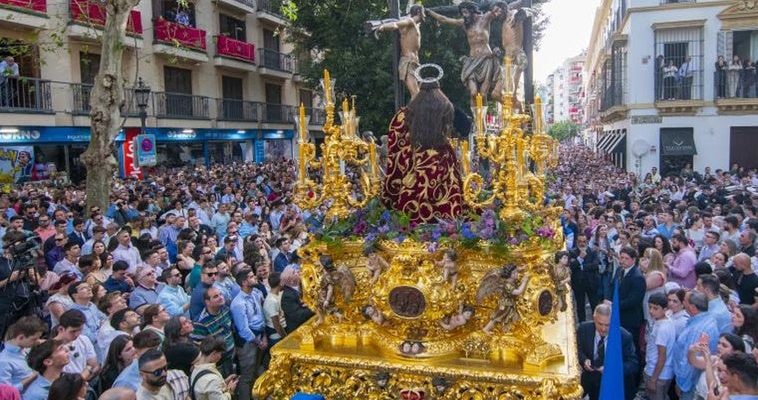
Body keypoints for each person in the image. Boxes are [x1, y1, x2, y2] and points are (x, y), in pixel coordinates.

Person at [380, 77, 464, 223]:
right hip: (441, 162)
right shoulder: (446, 106)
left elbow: (397, 150)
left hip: (416, 164)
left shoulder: (404, 114)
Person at [427, 2, 505, 106]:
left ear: (472, 11)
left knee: (482, 94)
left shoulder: (485, 18)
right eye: (462, 13)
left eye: (466, 13)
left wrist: (506, 7)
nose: (464, 16)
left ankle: (481, 121)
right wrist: (429, 12)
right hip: (472, 61)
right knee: (473, 93)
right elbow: (444, 19)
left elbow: (499, 9)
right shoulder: (464, 24)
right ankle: (476, 118)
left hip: (487, 60)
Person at [577, 304, 639, 400]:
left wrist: (612, 369)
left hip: (614, 385)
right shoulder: (583, 329)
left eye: (607, 325)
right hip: (591, 383)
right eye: (600, 324)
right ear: (594, 319)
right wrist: (584, 360)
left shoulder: (624, 336)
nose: (603, 329)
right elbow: (578, 349)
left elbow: (633, 363)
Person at [368, 5, 425, 98]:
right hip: (408, 61)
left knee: (419, 93)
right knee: (415, 93)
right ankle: (414, 113)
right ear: (418, 13)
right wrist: (382, 27)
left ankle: (415, 112)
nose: (424, 16)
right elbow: (395, 25)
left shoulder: (415, 23)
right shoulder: (409, 21)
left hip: (415, 62)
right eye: (423, 13)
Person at [672, 291, 720, 400]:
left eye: (684, 301)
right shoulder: (703, 321)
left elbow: (689, 362)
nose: (682, 303)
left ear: (693, 307)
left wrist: (682, 385)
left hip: (689, 385)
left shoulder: (698, 329)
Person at [230, 269, 267, 400]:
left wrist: (264, 336)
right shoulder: (238, 303)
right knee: (247, 375)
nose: (255, 277)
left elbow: (261, 316)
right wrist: (258, 341)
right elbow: (243, 329)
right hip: (248, 343)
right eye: (251, 277)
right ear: (244, 282)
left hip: (260, 336)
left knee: (257, 368)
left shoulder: (255, 294)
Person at [606, 246, 646, 365]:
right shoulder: (620, 270)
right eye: (621, 257)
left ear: (634, 260)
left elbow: (634, 300)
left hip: (631, 319)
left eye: (626, 258)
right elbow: (612, 286)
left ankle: (635, 375)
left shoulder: (637, 277)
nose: (622, 260)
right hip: (619, 315)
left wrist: (614, 305)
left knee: (632, 348)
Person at [190, 287, 235, 376]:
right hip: (217, 365)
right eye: (216, 296)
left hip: (230, 357)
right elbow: (198, 346)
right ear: (207, 302)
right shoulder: (201, 323)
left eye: (221, 294)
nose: (221, 297)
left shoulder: (225, 309)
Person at [0, 316, 46, 393]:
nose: (37, 341)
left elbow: (39, 342)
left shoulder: (24, 347)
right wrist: (32, 377)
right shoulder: (4, 361)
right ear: (21, 337)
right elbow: (5, 393)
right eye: (34, 339)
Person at [644, 292, 676, 400]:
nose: (651, 311)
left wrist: (653, 379)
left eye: (655, 308)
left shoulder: (662, 329)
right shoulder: (665, 321)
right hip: (659, 372)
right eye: (650, 307)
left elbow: (662, 356)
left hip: (658, 374)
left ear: (665, 309)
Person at [190, 336, 238, 400]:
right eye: (220, 353)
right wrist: (230, 390)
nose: (220, 356)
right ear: (214, 354)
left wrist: (224, 382)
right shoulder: (212, 379)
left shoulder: (195, 368)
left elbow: (210, 390)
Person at [280, 266, 314, 332]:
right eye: (294, 272)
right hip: (300, 330)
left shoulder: (301, 285)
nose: (297, 272)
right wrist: (314, 307)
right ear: (291, 280)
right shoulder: (287, 297)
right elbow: (299, 315)